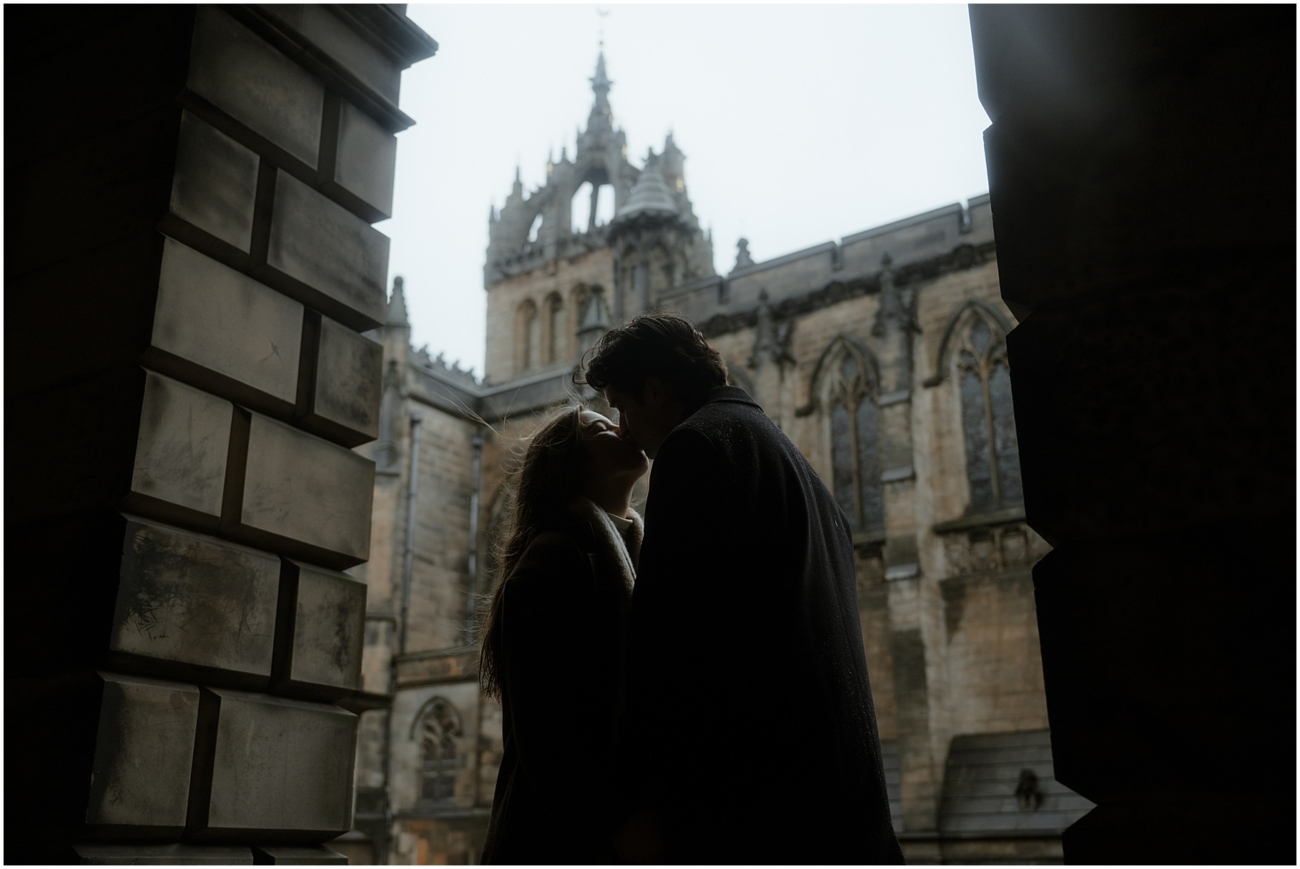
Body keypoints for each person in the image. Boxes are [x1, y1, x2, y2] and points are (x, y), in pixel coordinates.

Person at [581, 313, 904, 864]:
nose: (624, 429)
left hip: (760, 811)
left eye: (621, 406)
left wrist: (640, 805)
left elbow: (668, 646)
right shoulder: (795, 464)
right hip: (840, 809)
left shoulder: (697, 448)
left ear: (655, 391)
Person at [478, 405, 650, 864]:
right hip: (555, 838)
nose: (621, 426)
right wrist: (616, 830)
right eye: (600, 428)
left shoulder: (638, 556)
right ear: (571, 463)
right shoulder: (553, 559)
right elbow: (549, 734)